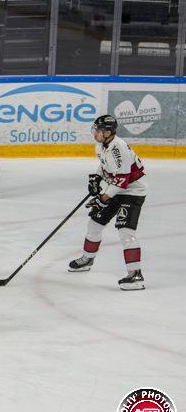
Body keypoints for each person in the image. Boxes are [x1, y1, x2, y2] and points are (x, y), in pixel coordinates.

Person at [68, 115, 147, 291]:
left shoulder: (118, 148)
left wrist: (102, 198)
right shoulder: (102, 145)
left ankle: (136, 275)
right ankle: (88, 258)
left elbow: (122, 179)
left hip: (132, 192)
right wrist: (97, 177)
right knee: (94, 223)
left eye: (98, 130)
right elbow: (105, 166)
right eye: (94, 129)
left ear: (108, 132)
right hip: (116, 189)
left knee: (126, 231)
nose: (94, 133)